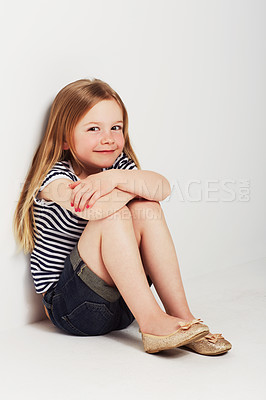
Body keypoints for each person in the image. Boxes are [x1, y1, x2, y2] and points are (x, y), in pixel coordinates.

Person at [13, 78, 232, 355]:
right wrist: (131, 188)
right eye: (94, 129)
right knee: (116, 213)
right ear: (64, 139)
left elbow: (162, 187)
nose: (109, 138)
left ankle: (182, 317)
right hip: (73, 309)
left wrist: (115, 178)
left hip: (125, 304)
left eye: (116, 128)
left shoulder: (116, 167)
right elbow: (96, 210)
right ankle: (152, 322)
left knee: (147, 208)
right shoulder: (55, 178)